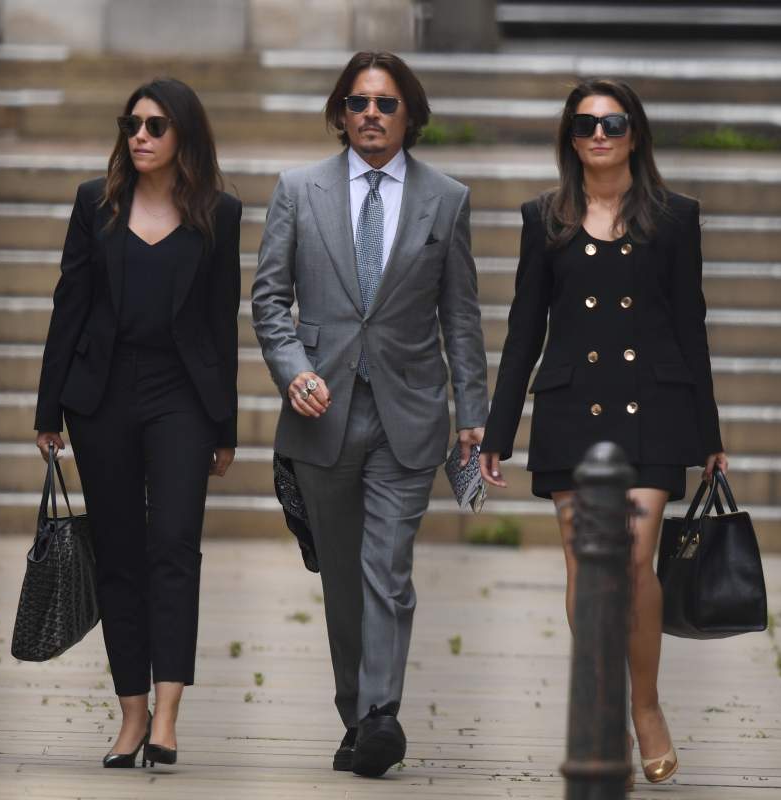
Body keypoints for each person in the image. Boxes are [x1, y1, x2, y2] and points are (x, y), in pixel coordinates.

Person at [479, 78, 728, 786]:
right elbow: (525, 329)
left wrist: (707, 431)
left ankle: (645, 706)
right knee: (587, 565)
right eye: (584, 123)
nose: (598, 133)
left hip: (653, 408)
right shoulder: (545, 218)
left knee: (633, 557)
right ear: (570, 136)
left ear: (635, 133)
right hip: (570, 409)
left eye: (612, 122)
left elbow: (691, 324)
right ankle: (603, 711)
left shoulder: (675, 218)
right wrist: (499, 430)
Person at [252, 51, 488, 778]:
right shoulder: (298, 189)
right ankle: (356, 710)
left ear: (409, 115)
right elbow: (268, 300)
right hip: (323, 415)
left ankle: (381, 715)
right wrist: (294, 374)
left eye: (385, 104)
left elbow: (461, 315)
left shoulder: (445, 198)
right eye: (358, 103)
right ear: (340, 113)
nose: (370, 116)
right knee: (344, 579)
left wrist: (473, 413)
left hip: (409, 413)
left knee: (387, 568)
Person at [34, 77, 241, 769]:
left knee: (175, 549)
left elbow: (220, 322)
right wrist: (48, 408)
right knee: (119, 555)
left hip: (182, 396)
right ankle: (130, 716)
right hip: (103, 396)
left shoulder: (220, 211)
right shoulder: (97, 203)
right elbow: (70, 304)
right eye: (132, 125)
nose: (141, 137)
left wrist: (225, 424)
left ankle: (169, 715)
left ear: (184, 134)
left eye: (156, 125)